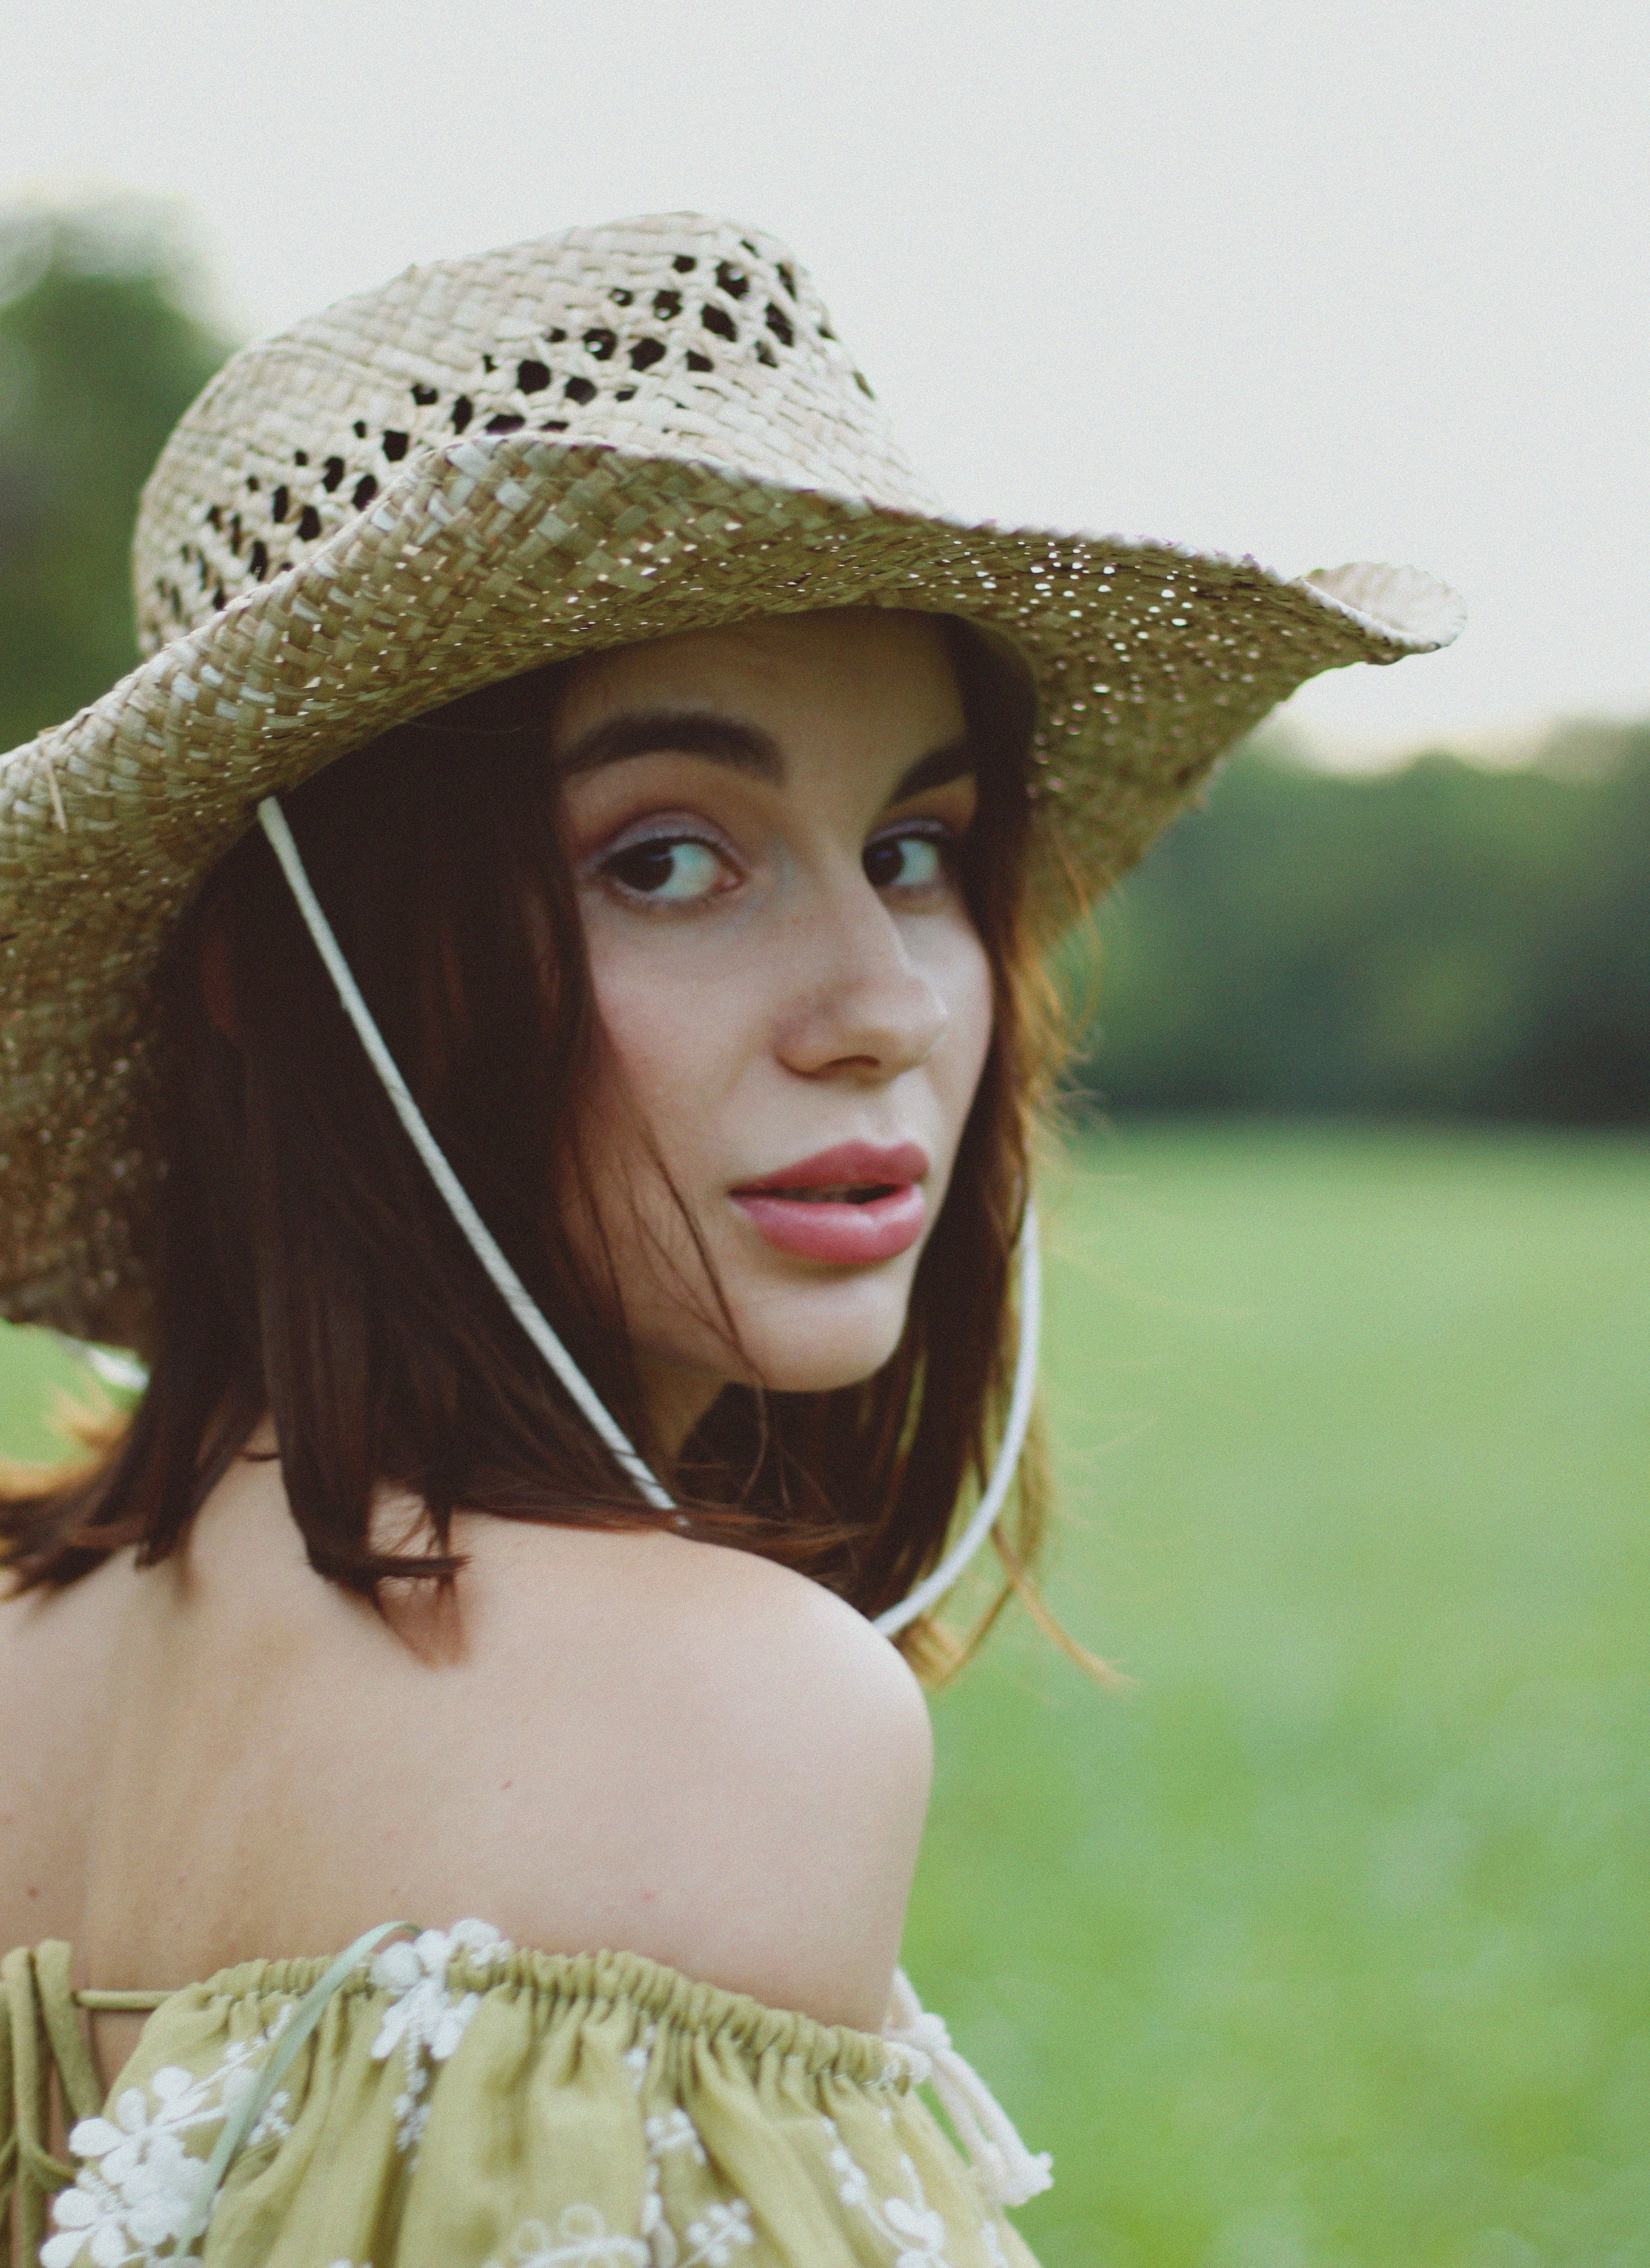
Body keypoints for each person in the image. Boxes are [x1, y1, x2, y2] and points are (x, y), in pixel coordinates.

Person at [0, 215, 1461, 2266]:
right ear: (279, 968)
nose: (883, 998)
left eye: (916, 850)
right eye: (671, 857)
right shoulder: (715, 1715)